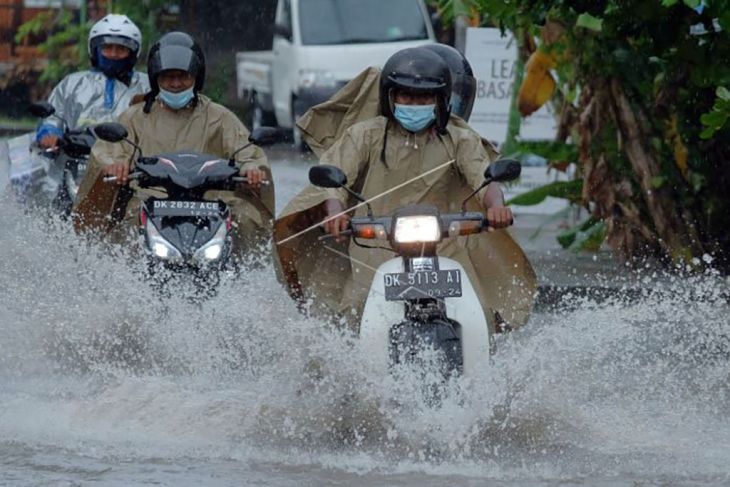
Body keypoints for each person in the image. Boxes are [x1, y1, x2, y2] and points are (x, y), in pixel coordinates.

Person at [274, 47, 536, 333]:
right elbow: (338, 176)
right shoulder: (366, 134)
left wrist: (495, 205)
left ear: (440, 100)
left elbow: (483, 177)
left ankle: (484, 375)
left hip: (445, 245)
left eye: (424, 97)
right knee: (354, 314)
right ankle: (351, 376)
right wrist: (335, 213)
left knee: (479, 316)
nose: (415, 103)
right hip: (375, 244)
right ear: (390, 98)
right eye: (407, 96)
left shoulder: (460, 138)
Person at [72, 32, 274, 261]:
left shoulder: (219, 117)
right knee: (125, 225)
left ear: (196, 77)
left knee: (248, 220)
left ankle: (244, 280)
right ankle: (123, 281)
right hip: (149, 201)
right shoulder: (135, 116)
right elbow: (111, 148)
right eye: (168, 77)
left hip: (212, 202)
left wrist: (252, 168)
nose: (176, 84)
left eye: (183, 76)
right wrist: (115, 165)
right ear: (155, 77)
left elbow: (247, 149)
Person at [35, 14, 149, 148]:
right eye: (107, 47)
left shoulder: (146, 85)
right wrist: (50, 134)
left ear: (132, 53)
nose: (113, 54)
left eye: (121, 49)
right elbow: (53, 117)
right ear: (95, 50)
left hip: (128, 162)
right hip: (74, 160)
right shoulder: (72, 84)